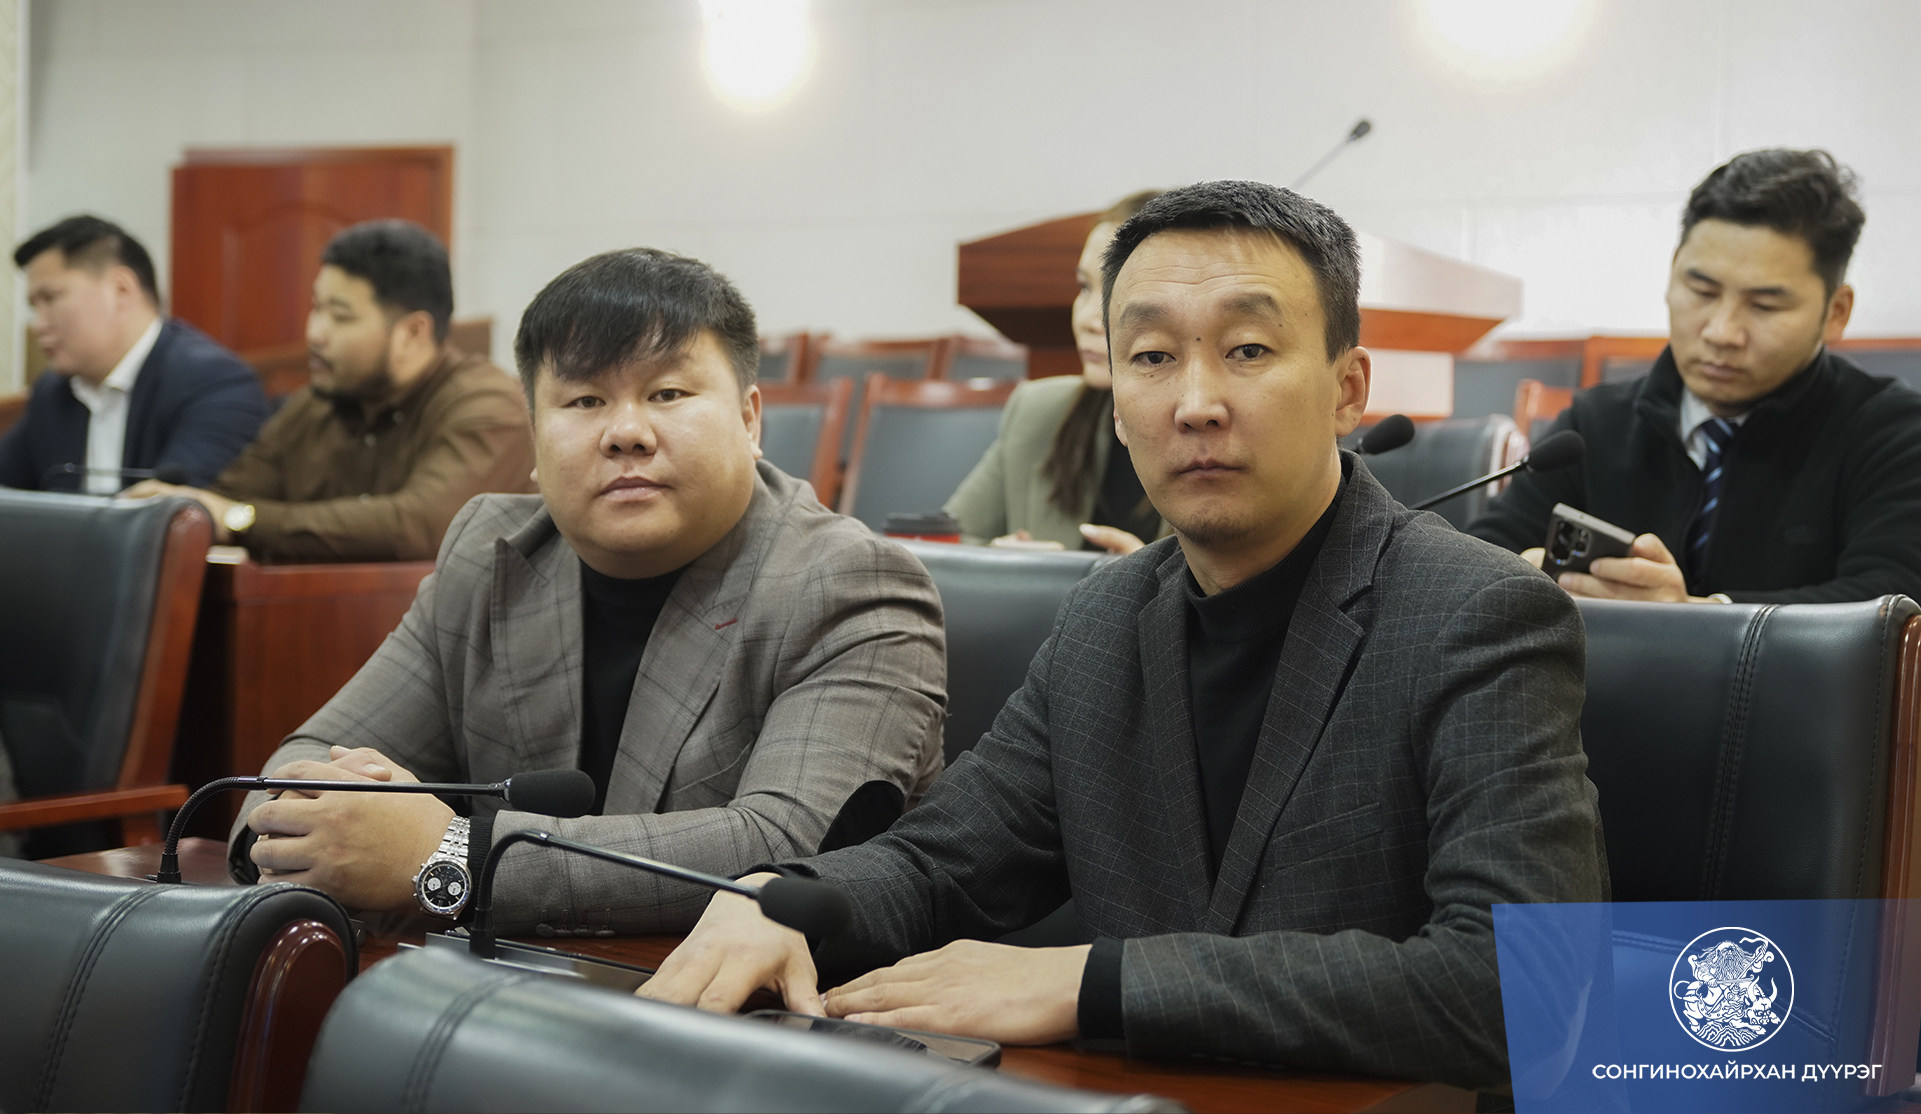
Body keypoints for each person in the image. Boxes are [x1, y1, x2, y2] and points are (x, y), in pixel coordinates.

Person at [640, 181, 1607, 1087]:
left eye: (1248, 351)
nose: (1195, 404)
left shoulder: (1477, 614)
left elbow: (1525, 989)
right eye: (1151, 357)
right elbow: (944, 861)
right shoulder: (1107, 617)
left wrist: (1095, 982)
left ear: (1348, 388)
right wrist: (784, 901)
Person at [224, 248, 946, 936]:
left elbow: (787, 850)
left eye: (667, 394)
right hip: (506, 986)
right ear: (535, 441)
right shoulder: (490, 555)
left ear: (750, 419)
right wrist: (313, 822)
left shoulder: (852, 585)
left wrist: (452, 857)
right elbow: (303, 761)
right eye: (585, 399)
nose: (626, 432)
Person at [1466, 149, 1921, 944]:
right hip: (1607, 794)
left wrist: (1696, 618)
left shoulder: (1896, 432)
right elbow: (1477, 560)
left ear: (1836, 311)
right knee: (1499, 985)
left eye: (1766, 304)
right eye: (1701, 290)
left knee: (1732, 1015)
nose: (1722, 331)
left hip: (1840, 812)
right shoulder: (1595, 425)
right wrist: (1526, 576)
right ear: (1672, 274)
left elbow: (1902, 612)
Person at [123, 220, 534, 561]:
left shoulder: (487, 404)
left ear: (412, 332)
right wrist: (196, 508)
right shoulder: (314, 405)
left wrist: (242, 520)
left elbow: (419, 525)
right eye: (316, 308)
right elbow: (228, 497)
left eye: (340, 317)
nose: (315, 333)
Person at [944, 191, 1163, 554]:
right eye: (1084, 287)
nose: (1087, 318)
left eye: (1115, 293)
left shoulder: (1209, 424)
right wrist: (1003, 560)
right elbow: (947, 544)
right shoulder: (1039, 410)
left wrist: (1149, 580)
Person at [0, 215, 264, 493]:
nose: (39, 324)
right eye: (34, 306)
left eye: (50, 299)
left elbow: (175, 507)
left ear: (121, 289)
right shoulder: (53, 392)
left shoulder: (216, 384)